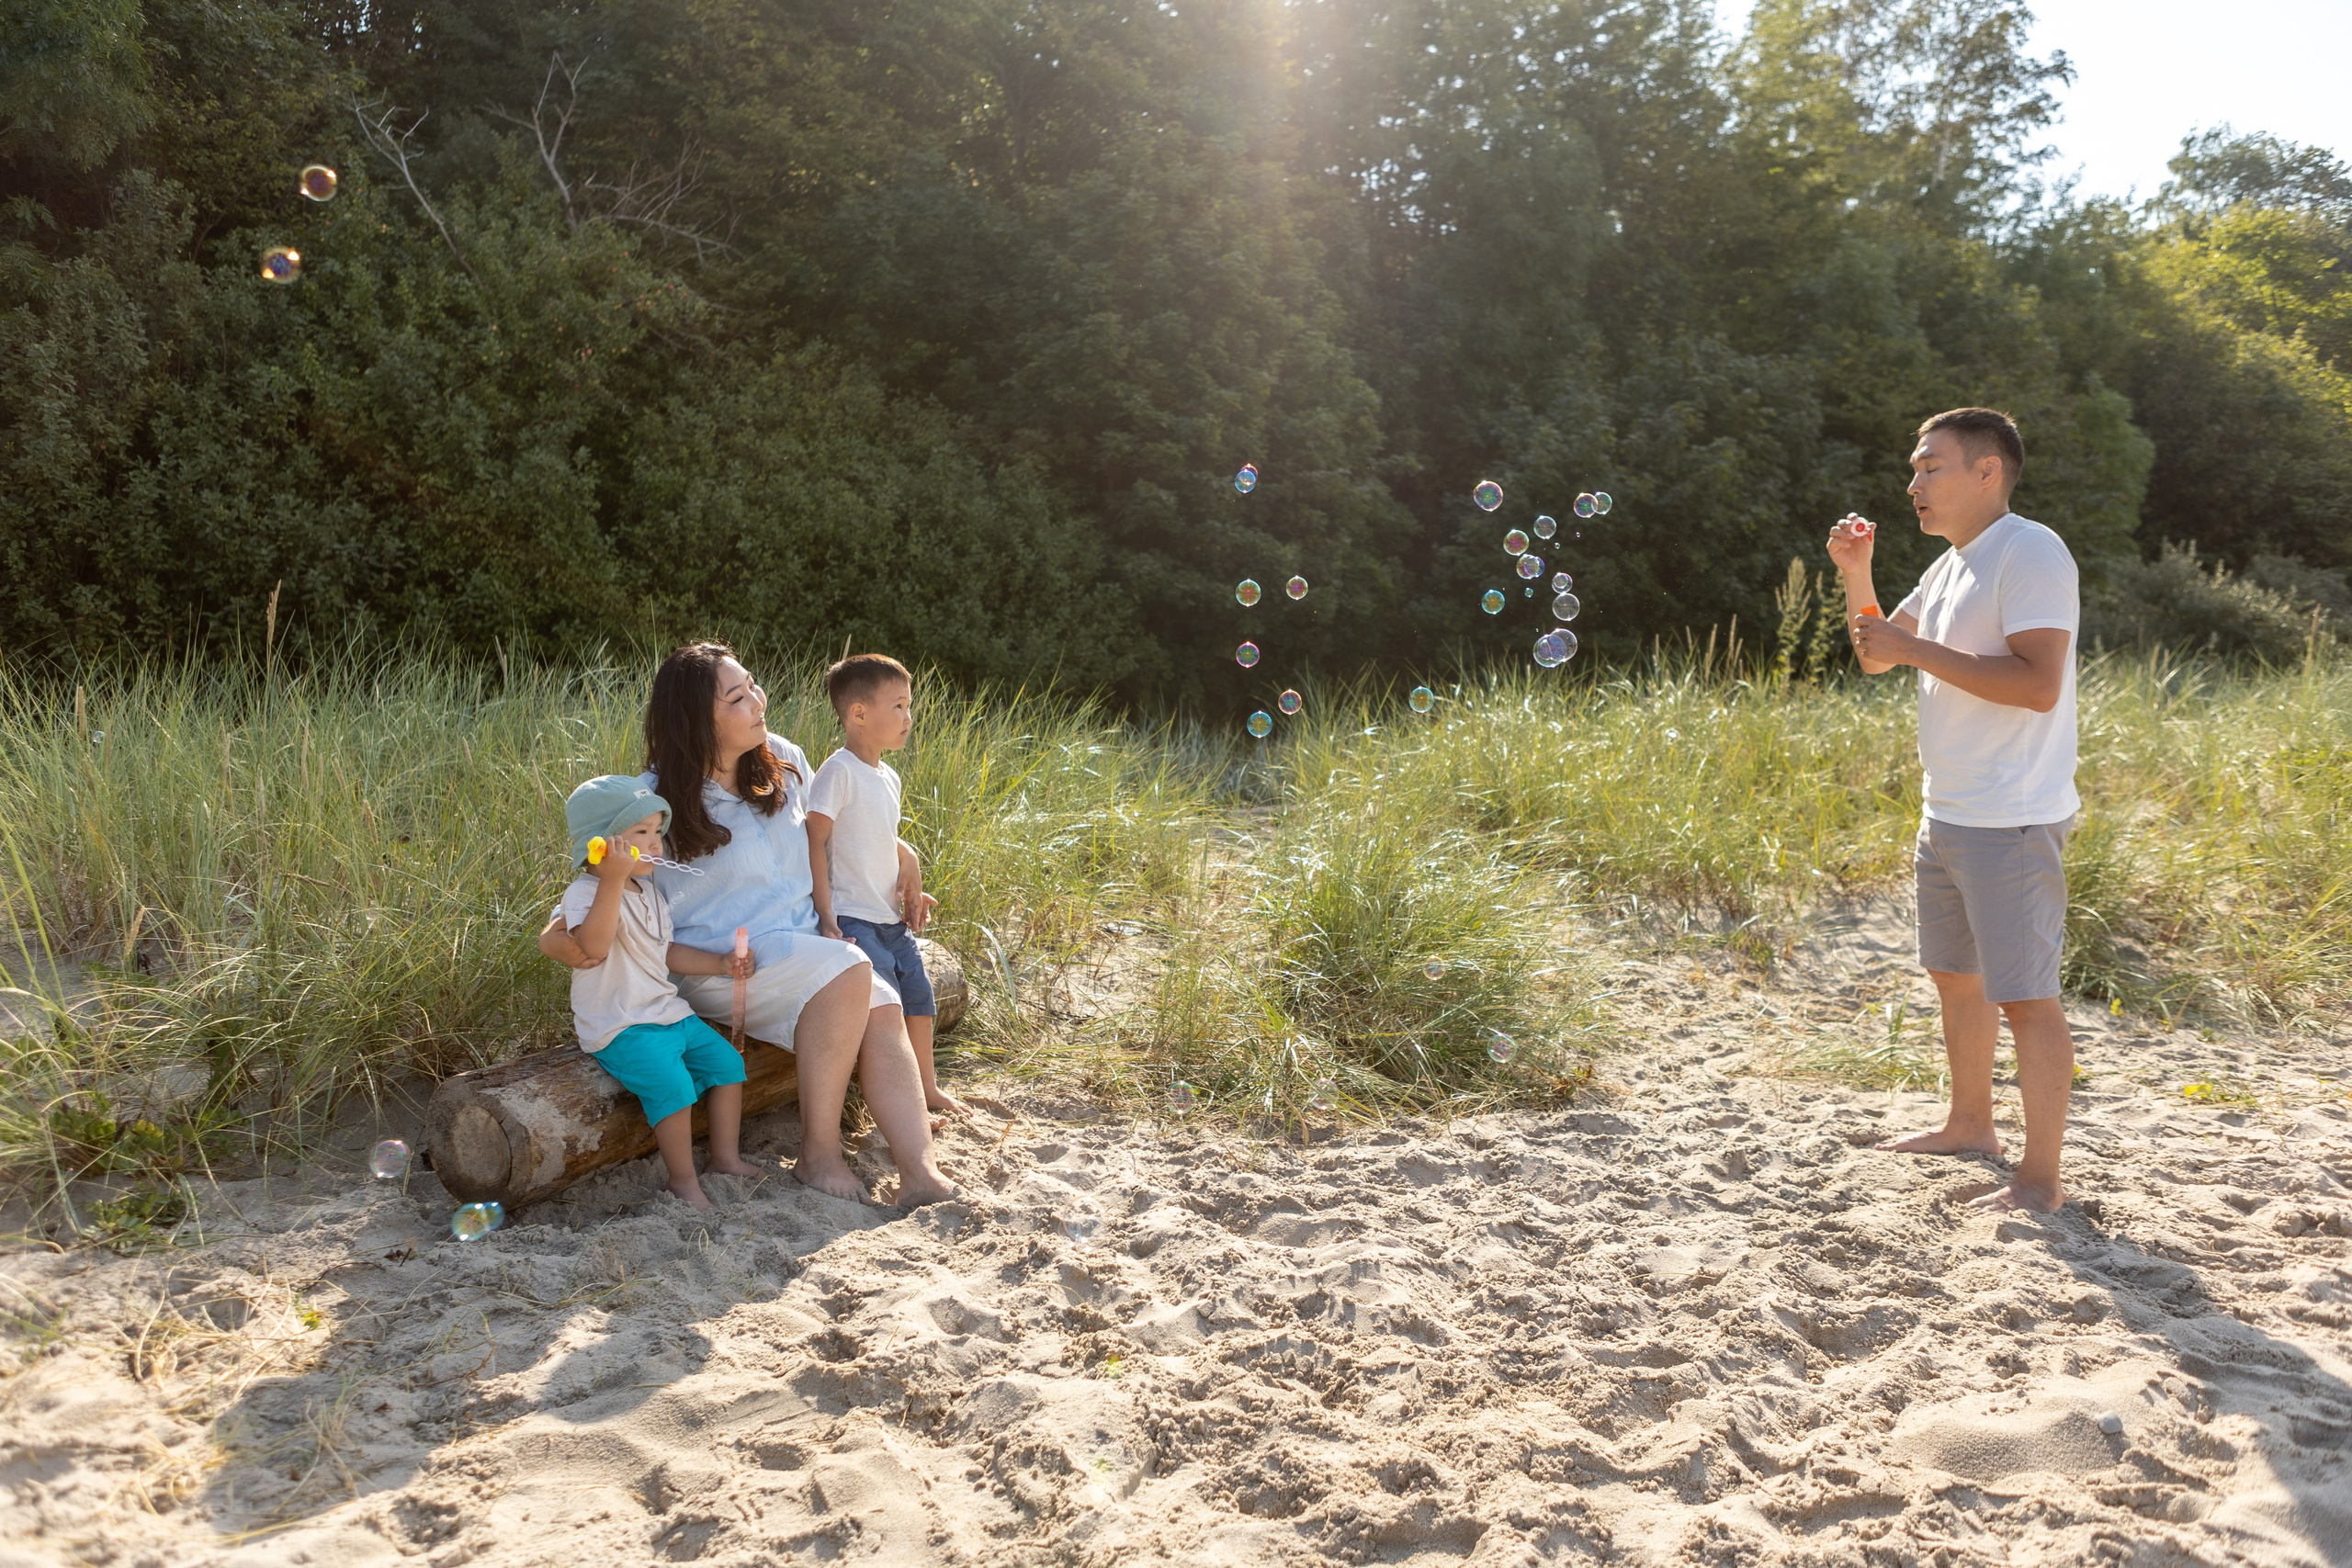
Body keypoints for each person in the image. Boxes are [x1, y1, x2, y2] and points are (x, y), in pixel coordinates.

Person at [539, 642, 956, 1207]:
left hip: (809, 947)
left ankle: (921, 1173)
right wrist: (559, 929)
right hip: (723, 964)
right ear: (696, 720)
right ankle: (819, 1155)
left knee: (881, 1006)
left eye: (753, 685)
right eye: (736, 697)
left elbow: (834, 833)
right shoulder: (654, 797)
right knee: (851, 968)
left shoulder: (783, 758)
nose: (758, 701)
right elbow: (600, 875)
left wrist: (904, 854)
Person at [1828, 406, 2081, 1214]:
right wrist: (1856, 571)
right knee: (1957, 979)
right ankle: (1970, 1124)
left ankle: (2039, 1179)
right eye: (1913, 469)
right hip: (1948, 812)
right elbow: (1877, 654)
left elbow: (2037, 684)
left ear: (1986, 471)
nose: (1914, 483)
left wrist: (1915, 649)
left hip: (2013, 817)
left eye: (1930, 467)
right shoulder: (1948, 566)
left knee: (2026, 998)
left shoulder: (2030, 550)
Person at [558, 775, 762, 1210]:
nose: (655, 843)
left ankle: (725, 1159)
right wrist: (612, 880)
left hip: (666, 1012)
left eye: (657, 832)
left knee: (728, 1064)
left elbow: (665, 951)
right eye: (641, 832)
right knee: (673, 1084)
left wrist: (719, 964)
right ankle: (682, 1182)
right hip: (621, 1023)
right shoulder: (585, 893)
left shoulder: (649, 891)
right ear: (601, 845)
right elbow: (593, 946)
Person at [807, 654, 968, 1122]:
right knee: (886, 1008)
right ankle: (899, 1105)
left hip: (889, 917)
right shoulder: (838, 770)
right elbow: (815, 838)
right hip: (852, 917)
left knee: (920, 1000)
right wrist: (825, 911)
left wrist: (909, 867)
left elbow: (875, 835)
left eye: (908, 705)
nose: (908, 717)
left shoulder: (888, 776)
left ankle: (926, 1088)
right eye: (897, 705)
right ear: (858, 713)